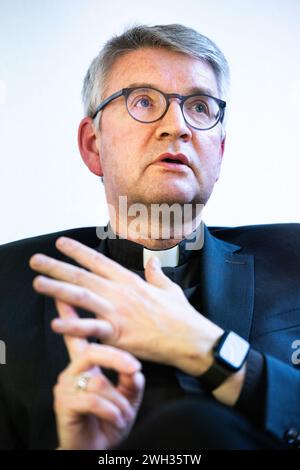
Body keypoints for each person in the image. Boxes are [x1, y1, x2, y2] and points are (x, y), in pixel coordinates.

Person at [0, 23, 299, 451]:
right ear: (92, 145)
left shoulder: (294, 260)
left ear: (220, 151)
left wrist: (210, 350)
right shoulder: (6, 285)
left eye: (198, 107)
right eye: (143, 101)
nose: (176, 126)